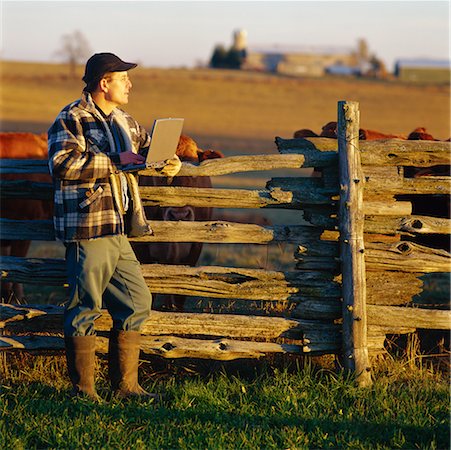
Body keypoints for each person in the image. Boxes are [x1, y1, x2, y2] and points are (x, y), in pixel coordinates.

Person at [48, 52, 181, 400]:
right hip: (88, 226)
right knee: (85, 307)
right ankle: (83, 392)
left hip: (119, 226)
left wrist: (169, 162)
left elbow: (149, 150)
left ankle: (126, 387)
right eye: (124, 79)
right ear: (104, 82)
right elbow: (62, 164)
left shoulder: (125, 121)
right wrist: (114, 162)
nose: (130, 85)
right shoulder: (71, 118)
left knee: (138, 300)